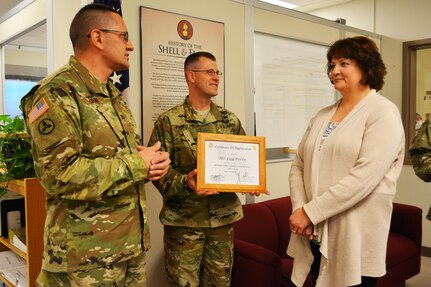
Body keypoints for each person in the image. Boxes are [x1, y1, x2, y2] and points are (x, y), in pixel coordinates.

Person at [21, 4, 170, 286]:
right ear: (98, 37)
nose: (131, 46)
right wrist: (139, 163)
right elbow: (59, 175)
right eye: (124, 36)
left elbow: (127, 160)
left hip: (129, 248)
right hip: (85, 261)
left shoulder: (112, 95)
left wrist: (152, 164)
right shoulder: (55, 93)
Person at [287, 36, 405, 287]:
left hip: (354, 233)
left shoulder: (382, 112)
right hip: (315, 231)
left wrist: (310, 212)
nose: (335, 70)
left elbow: (365, 177)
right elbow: (299, 164)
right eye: (332, 65)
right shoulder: (322, 115)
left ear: (366, 67)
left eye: (344, 63)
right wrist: (301, 209)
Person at [148, 51, 260, 287]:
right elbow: (157, 172)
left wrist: (251, 179)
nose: (216, 77)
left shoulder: (230, 120)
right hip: (184, 224)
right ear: (191, 76)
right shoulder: (169, 121)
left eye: (217, 72)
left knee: (220, 284)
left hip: (222, 222)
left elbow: (243, 159)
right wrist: (185, 183)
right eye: (210, 72)